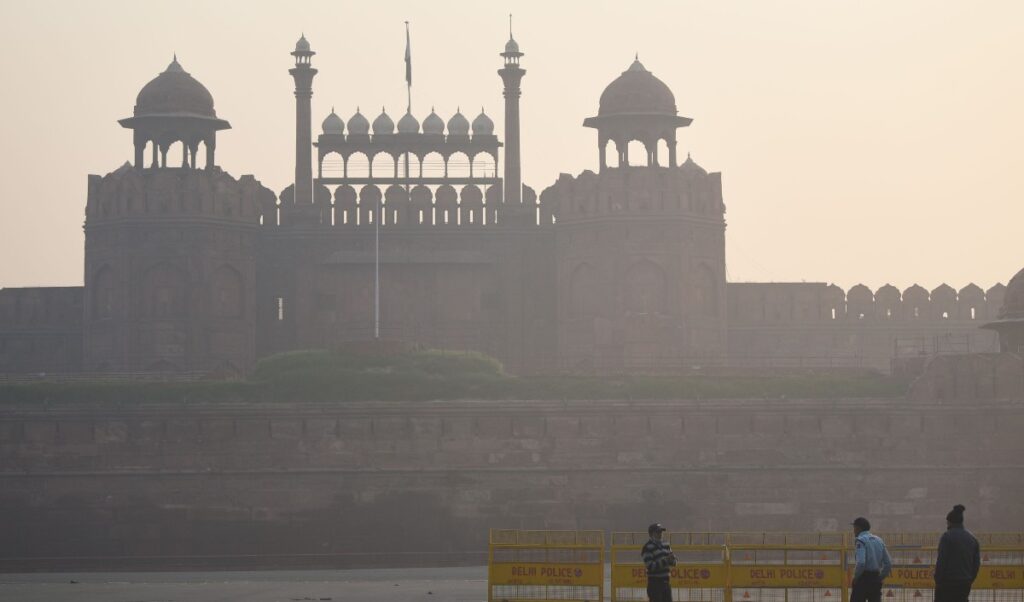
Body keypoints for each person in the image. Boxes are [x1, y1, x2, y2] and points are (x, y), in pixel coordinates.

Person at [934, 504, 980, 602]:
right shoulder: (973, 539)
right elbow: (976, 565)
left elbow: (941, 562)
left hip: (947, 584)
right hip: (965, 584)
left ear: (950, 522)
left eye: (947, 523)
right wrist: (969, 580)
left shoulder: (946, 537)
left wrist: (938, 580)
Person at [850, 517, 892, 602]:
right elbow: (888, 563)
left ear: (858, 528)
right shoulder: (879, 540)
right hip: (875, 578)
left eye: (854, 527)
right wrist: (880, 578)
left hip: (863, 579)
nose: (853, 530)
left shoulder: (861, 540)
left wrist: (856, 577)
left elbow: (861, 563)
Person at [641, 523, 676, 602]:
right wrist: (666, 560)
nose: (660, 534)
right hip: (654, 584)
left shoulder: (666, 544)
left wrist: (672, 560)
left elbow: (674, 562)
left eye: (661, 532)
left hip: (666, 583)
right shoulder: (647, 547)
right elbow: (650, 566)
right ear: (651, 534)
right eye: (658, 532)